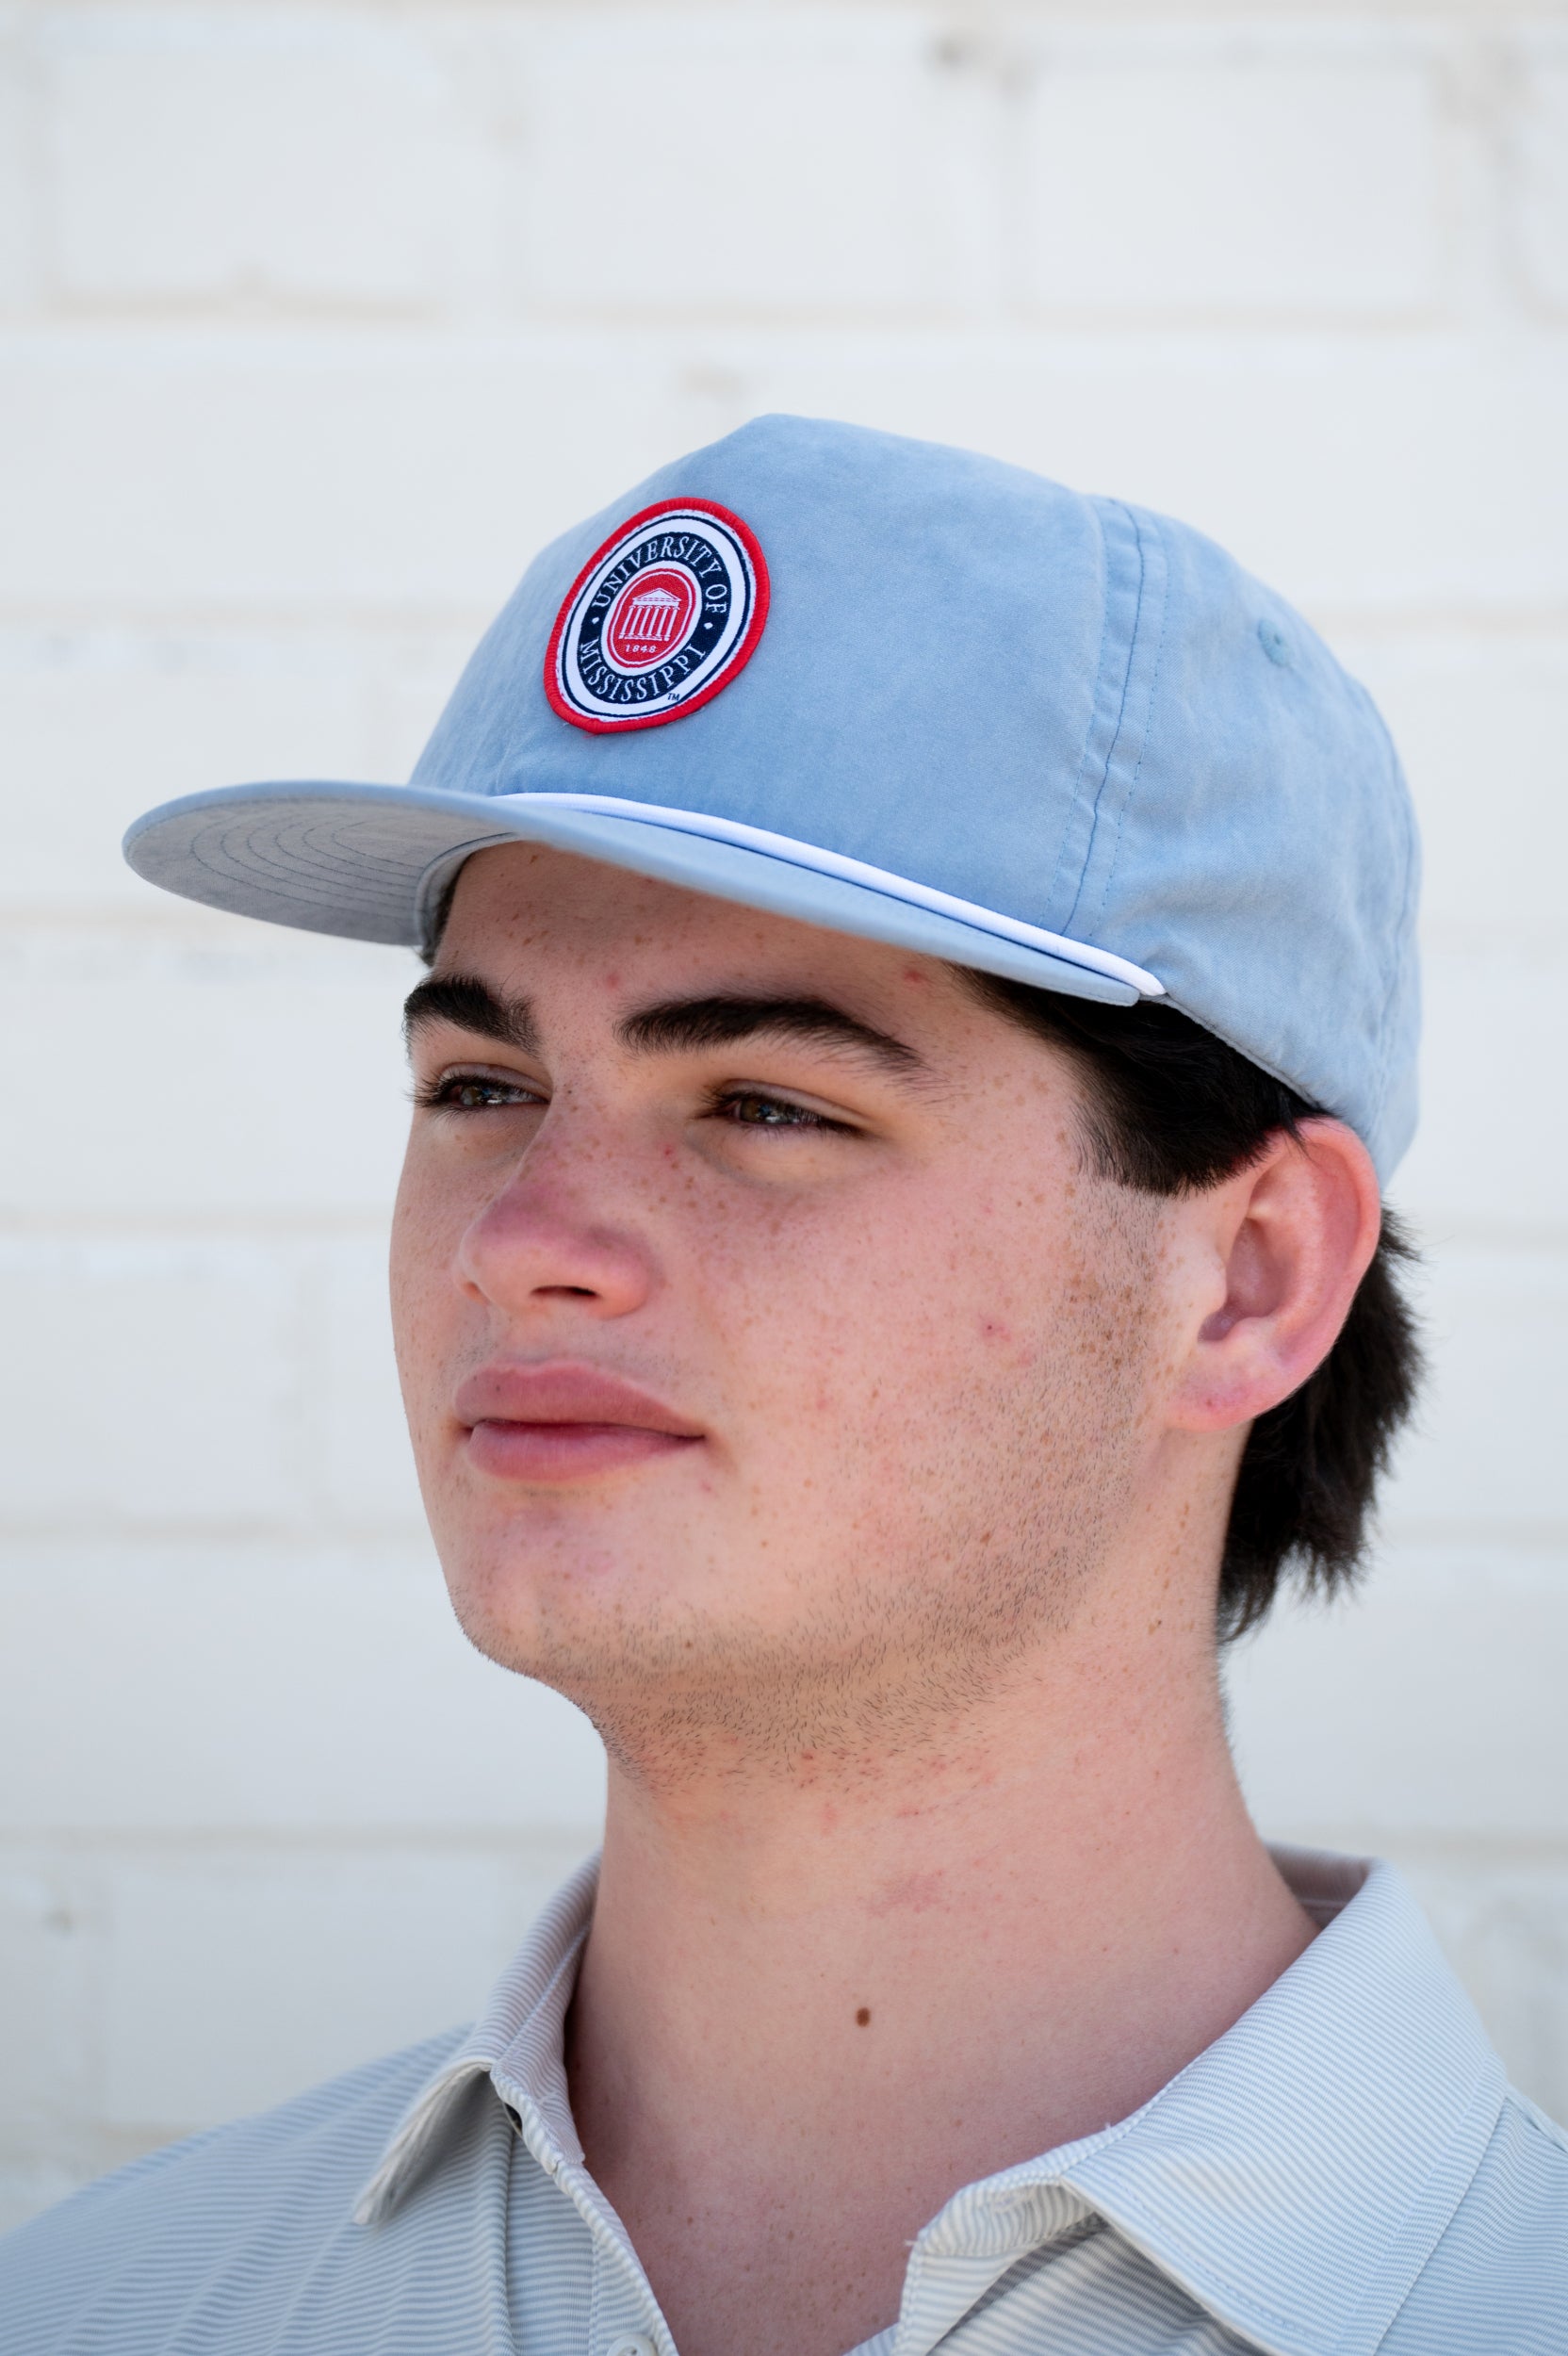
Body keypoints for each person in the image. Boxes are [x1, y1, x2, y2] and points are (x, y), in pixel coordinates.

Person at [4, 416, 1563, 2355]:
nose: (523, 1237)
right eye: (480, 1085)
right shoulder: (110, 2309)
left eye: (763, 1100)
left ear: (1243, 1277)